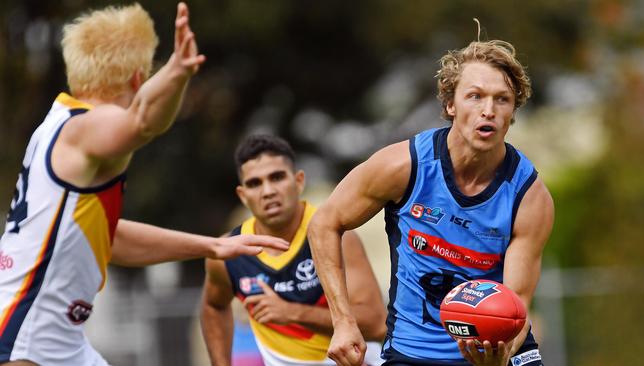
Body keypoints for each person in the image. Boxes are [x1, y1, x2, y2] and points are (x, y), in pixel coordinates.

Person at [0, 4, 288, 366]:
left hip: (58, 339)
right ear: (138, 78)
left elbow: (109, 239)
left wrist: (211, 245)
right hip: (29, 338)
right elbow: (142, 122)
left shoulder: (57, 126)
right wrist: (177, 72)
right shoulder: (88, 127)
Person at [308, 38, 554, 366]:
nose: (488, 110)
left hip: (496, 347)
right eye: (475, 96)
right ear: (451, 105)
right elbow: (324, 223)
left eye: (502, 100)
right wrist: (343, 322)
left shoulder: (529, 196)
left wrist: (501, 355)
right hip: (413, 353)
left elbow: (517, 305)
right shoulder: (403, 167)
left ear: (512, 112)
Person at [201, 134, 387, 366]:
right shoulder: (229, 252)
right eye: (254, 183)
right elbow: (214, 306)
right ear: (243, 195)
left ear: (298, 181)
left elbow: (377, 323)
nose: (267, 191)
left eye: (277, 177)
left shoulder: (337, 235)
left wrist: (291, 312)